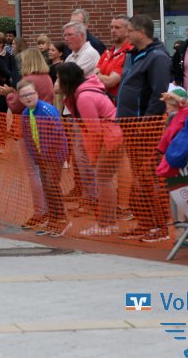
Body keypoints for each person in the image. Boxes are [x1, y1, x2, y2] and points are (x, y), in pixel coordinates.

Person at [116, 15, 173, 243]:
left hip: (145, 127)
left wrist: (146, 123)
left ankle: (160, 225)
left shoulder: (157, 57)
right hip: (131, 125)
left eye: (129, 30)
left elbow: (159, 93)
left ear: (141, 32)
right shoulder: (136, 55)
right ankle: (146, 223)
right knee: (140, 177)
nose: (126, 34)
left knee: (150, 176)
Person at [56, 63, 122, 236]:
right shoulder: (83, 93)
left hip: (110, 138)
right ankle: (108, 222)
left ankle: (105, 224)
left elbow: (94, 130)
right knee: (104, 179)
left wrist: (94, 156)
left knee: (103, 179)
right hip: (111, 135)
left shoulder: (84, 97)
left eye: (58, 78)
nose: (56, 82)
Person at [16, 78, 68, 237]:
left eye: (31, 94)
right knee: (46, 187)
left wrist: (57, 157)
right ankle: (53, 219)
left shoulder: (47, 110)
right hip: (41, 156)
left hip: (54, 156)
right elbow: (28, 137)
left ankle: (62, 220)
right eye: (24, 95)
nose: (28, 98)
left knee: (52, 185)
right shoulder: (25, 114)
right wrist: (36, 157)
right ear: (20, 98)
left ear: (37, 93)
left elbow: (59, 135)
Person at [95, 16, 133, 99]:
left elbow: (110, 82)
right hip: (103, 101)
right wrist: (99, 76)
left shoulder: (129, 53)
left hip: (117, 102)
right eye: (111, 27)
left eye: (117, 28)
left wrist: (97, 74)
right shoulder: (107, 52)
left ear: (128, 30)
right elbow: (93, 76)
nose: (113, 31)